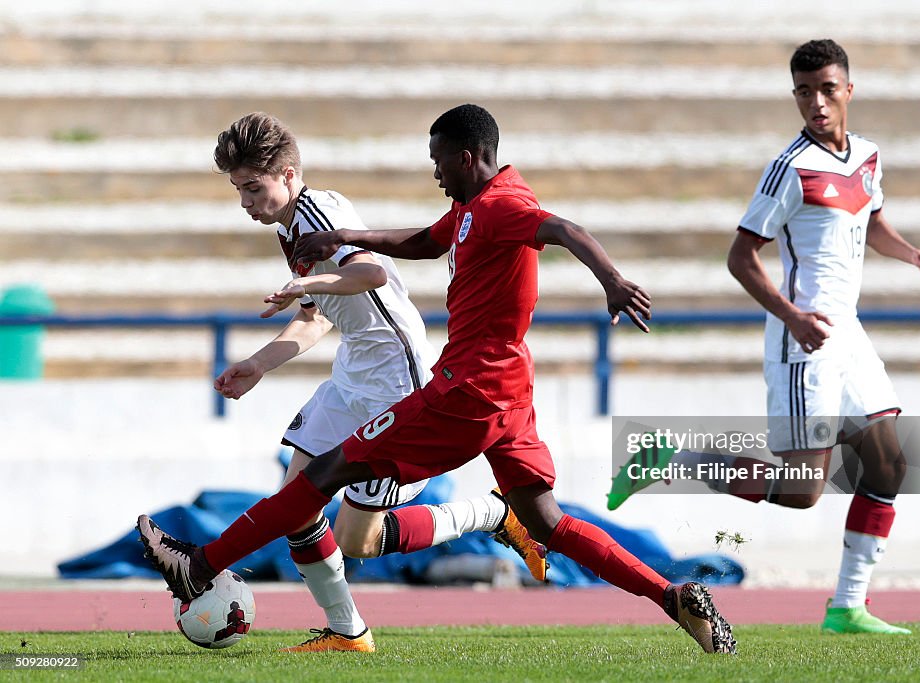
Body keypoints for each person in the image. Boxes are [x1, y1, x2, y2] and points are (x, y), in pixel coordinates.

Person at [139, 104, 736, 655]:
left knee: (335, 500)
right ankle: (673, 596)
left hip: (450, 388)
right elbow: (414, 246)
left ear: (467, 157)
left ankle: (202, 565)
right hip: (488, 387)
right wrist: (268, 353)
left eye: (438, 160)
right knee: (545, 522)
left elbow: (554, 231)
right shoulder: (466, 212)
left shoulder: (500, 205)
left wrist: (611, 280)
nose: (434, 172)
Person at [199, 112, 549, 653]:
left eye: (253, 187)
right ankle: (348, 632)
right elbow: (317, 315)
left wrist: (307, 280)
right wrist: (259, 365)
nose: (245, 201)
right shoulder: (288, 227)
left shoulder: (319, 210)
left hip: (392, 375)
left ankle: (495, 512)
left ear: (288, 175)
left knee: (354, 538)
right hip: (352, 374)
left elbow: (371, 273)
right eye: (237, 189)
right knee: (296, 502)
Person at [722, 39, 920, 635]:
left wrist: (912, 255)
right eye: (803, 91)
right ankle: (676, 459)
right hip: (804, 338)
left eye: (826, 89)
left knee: (890, 464)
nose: (815, 103)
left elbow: (871, 221)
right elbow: (740, 258)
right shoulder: (789, 167)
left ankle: (847, 607)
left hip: (849, 335)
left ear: (849, 89)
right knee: (801, 491)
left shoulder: (868, 155)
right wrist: (791, 316)